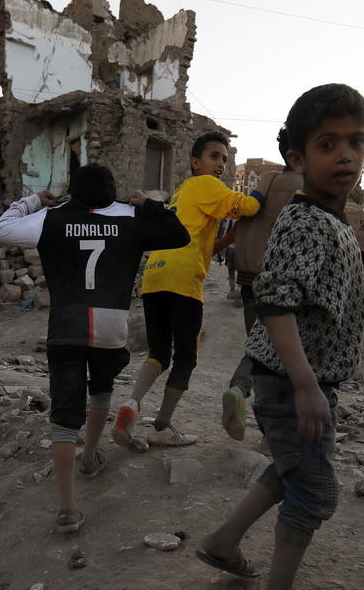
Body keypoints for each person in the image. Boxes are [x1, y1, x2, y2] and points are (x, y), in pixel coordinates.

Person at [193, 84, 364, 590]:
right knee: (315, 492)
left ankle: (224, 541)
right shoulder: (307, 222)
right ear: (297, 158)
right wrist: (306, 385)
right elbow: (274, 301)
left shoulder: (329, 220)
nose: (345, 155)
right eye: (327, 144)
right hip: (293, 384)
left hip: (293, 381)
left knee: (290, 468)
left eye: (356, 143)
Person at [0, 164, 189, 533]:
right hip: (111, 326)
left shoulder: (51, 217)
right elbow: (180, 235)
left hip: (66, 325)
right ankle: (90, 457)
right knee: (101, 389)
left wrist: (34, 200)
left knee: (65, 417)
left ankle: (67, 509)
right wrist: (148, 204)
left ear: (74, 191)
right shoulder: (130, 216)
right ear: (112, 190)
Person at [112, 132, 263, 449]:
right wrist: (266, 188)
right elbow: (247, 206)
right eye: (214, 156)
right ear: (196, 162)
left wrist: (231, 236)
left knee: (158, 353)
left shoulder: (181, 193)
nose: (220, 164)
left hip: (155, 276)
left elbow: (206, 248)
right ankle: (162, 427)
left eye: (223, 158)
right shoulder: (208, 185)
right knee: (185, 357)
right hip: (183, 281)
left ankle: (132, 405)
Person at [220, 129, 304, 440]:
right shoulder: (307, 187)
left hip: (247, 276)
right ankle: (272, 434)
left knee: (259, 345)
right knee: (285, 356)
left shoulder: (266, 180)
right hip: (282, 280)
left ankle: (239, 391)